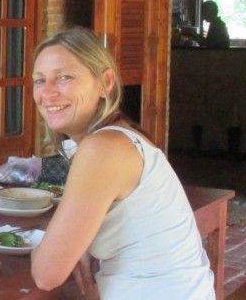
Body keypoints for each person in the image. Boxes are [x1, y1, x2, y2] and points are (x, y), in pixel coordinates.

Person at [29, 27, 215, 299]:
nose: (48, 93)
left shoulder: (103, 150)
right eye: (39, 80)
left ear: (105, 83)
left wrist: (44, 245)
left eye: (64, 77)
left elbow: (47, 274)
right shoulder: (121, 138)